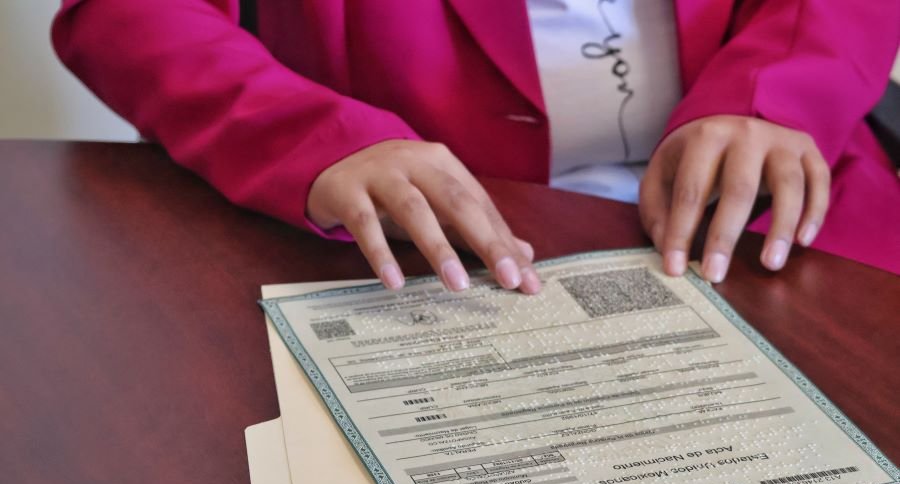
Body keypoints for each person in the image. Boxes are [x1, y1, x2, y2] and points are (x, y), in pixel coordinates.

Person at [52, 0, 900, 293]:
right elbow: (128, 15)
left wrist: (777, 91)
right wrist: (316, 139)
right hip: (429, 251)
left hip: (774, 211)